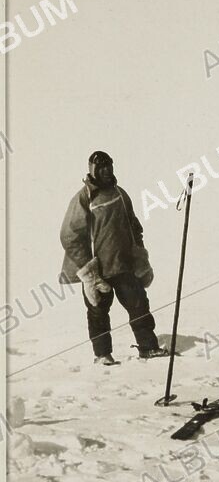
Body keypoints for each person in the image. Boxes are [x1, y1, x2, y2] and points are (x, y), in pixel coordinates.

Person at [59, 150, 168, 365]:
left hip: (123, 266)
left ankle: (148, 348)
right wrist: (88, 269)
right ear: (93, 171)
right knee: (98, 313)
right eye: (101, 168)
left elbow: (134, 226)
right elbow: (69, 235)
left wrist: (140, 256)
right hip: (97, 271)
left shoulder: (120, 193)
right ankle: (102, 355)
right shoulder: (84, 198)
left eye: (109, 166)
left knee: (139, 306)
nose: (107, 171)